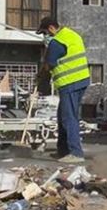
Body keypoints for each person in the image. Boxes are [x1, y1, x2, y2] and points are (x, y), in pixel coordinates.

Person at [37, 16, 90, 163]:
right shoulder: (72, 34)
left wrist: (41, 77)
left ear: (51, 28)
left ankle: (76, 153)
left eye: (45, 33)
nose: (45, 37)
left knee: (69, 117)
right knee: (63, 116)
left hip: (70, 82)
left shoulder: (57, 42)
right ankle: (63, 150)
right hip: (81, 79)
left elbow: (50, 64)